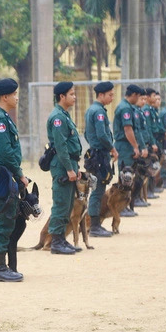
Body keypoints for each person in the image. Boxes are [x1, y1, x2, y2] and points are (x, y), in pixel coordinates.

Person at [0, 78, 27, 281]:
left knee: (8, 220)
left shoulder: (3, 117)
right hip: (5, 174)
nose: (17, 97)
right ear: (5, 97)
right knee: (4, 221)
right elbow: (5, 152)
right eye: (14, 94)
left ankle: (3, 266)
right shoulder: (0, 120)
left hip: (8, 173)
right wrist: (19, 173)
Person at [46, 81, 83, 255]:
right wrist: (69, 169)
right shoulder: (58, 118)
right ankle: (56, 242)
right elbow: (61, 146)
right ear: (62, 96)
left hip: (69, 164)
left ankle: (61, 239)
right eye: (72, 94)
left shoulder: (65, 115)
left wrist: (75, 167)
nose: (75, 97)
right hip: (62, 166)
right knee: (61, 203)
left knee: (68, 204)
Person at [83, 81, 117, 238]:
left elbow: (86, 134)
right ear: (101, 95)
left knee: (96, 188)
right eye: (110, 95)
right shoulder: (99, 112)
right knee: (98, 190)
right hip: (99, 156)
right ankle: (94, 225)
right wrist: (112, 148)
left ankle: (93, 224)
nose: (112, 97)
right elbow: (102, 134)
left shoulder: (91, 110)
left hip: (94, 154)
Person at [114, 85, 145, 217]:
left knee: (129, 178)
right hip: (125, 146)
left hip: (127, 145)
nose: (138, 99)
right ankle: (121, 206)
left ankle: (125, 206)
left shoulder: (128, 107)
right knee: (124, 178)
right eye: (138, 96)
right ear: (132, 95)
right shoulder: (125, 108)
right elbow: (128, 129)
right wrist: (135, 147)